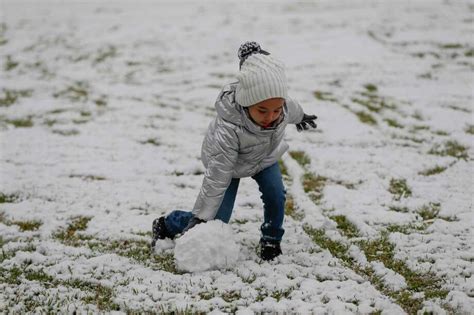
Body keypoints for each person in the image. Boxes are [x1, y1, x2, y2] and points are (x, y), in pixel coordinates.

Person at [151, 41, 317, 261]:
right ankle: (168, 223)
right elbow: (217, 177)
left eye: (277, 109)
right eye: (263, 110)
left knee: (276, 195)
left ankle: (271, 239)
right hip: (228, 166)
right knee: (215, 221)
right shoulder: (229, 129)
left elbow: (291, 109)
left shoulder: (282, 108)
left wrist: (302, 117)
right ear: (246, 103)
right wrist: (202, 216)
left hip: (262, 159)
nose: (271, 117)